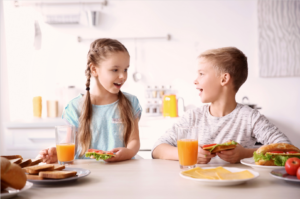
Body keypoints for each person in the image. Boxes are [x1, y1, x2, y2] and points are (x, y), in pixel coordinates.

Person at [152, 47, 291, 164]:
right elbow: (157, 149)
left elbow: (288, 150)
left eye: (201, 74)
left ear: (224, 79)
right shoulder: (193, 116)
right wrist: (188, 154)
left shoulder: (250, 118)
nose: (195, 80)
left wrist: (245, 153)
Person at [38, 38, 142, 163]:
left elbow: (134, 140)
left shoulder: (131, 103)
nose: (123, 76)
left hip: (123, 173)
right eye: (115, 70)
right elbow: (69, 145)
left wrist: (129, 152)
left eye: (125, 69)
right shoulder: (75, 107)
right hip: (85, 175)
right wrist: (57, 154)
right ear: (94, 69)